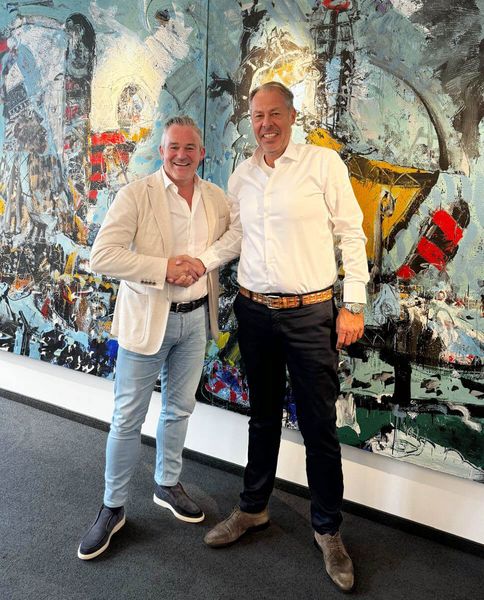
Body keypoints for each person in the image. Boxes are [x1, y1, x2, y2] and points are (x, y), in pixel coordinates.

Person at [203, 82, 369, 593]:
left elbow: (351, 232)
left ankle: (328, 530)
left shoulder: (322, 164)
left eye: (274, 114)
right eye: (257, 116)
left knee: (319, 426)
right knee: (262, 416)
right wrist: (198, 263)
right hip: (254, 311)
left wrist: (354, 304)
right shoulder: (242, 175)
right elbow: (235, 237)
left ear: (293, 116)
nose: (266, 124)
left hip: (310, 313)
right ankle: (253, 508)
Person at [78, 116, 240, 560]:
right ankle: (112, 508)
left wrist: (204, 261)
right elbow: (102, 256)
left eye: (190, 148)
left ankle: (167, 484)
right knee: (127, 419)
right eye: (174, 147)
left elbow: (238, 234)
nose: (181, 155)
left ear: (201, 153)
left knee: (179, 409)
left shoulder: (215, 197)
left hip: (195, 321)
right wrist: (163, 268)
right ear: (162, 149)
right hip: (148, 320)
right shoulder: (136, 194)